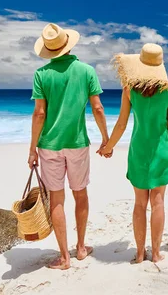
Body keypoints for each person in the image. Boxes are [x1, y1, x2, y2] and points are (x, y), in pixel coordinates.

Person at [28, 23, 109, 270]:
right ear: (68, 44)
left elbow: (39, 114)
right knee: (80, 193)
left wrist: (32, 149)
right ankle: (81, 248)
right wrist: (106, 139)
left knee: (57, 200)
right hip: (77, 144)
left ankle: (64, 257)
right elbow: (97, 108)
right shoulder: (86, 71)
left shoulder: (41, 74)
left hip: (49, 146)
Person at [100, 43, 168, 264]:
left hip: (138, 152)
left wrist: (108, 146)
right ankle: (157, 254)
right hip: (161, 151)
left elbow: (122, 123)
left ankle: (140, 254)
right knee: (158, 202)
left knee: (140, 203)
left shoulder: (129, 89)